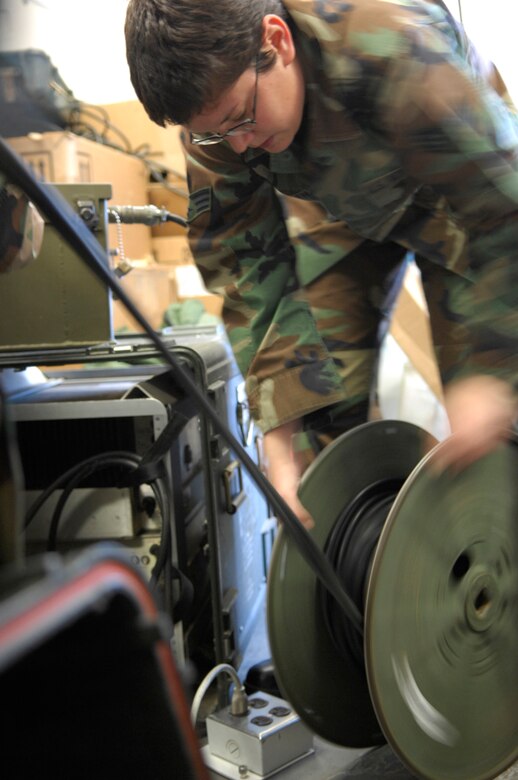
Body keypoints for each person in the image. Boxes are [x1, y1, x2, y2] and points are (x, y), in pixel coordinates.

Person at [125, 0, 518, 528]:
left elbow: (501, 209)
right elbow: (244, 260)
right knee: (320, 426)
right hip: (345, 204)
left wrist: (489, 372)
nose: (238, 143)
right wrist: (279, 425)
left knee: (493, 428)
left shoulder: (390, 44)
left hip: (462, 188)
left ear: (277, 42)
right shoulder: (218, 119)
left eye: (242, 118)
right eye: (218, 132)